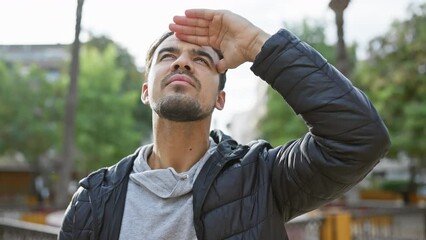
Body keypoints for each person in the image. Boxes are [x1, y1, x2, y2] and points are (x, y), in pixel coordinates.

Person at [58, 9, 390, 240]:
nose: (183, 61)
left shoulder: (260, 177)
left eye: (201, 59)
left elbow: (359, 138)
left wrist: (258, 44)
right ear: (146, 90)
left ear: (221, 98)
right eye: (167, 56)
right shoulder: (93, 201)